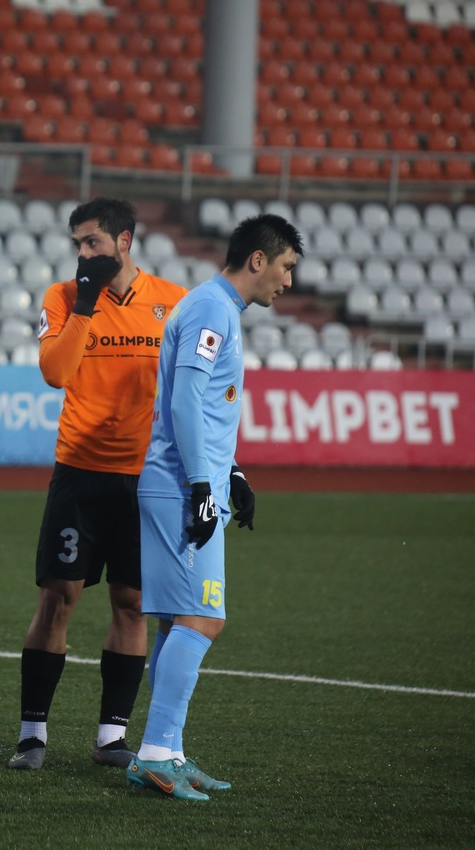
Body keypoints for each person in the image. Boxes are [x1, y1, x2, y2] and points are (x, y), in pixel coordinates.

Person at [9, 198, 187, 770]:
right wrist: (85, 304)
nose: (84, 254)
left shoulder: (174, 302)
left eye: (93, 242)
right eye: (78, 245)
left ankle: (111, 737)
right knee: (58, 597)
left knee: (132, 602)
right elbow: (56, 372)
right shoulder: (63, 297)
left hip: (146, 477)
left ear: (124, 241)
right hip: (80, 473)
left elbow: (189, 393)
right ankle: (32, 733)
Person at [128, 213, 301, 799]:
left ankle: (169, 750)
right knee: (204, 618)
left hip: (184, 480)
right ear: (258, 259)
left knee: (178, 620)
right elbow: (183, 402)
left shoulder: (215, 307)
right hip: (181, 486)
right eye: (285, 267)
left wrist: (232, 473)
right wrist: (204, 486)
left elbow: (204, 408)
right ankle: (155, 753)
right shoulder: (210, 308)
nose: (288, 282)